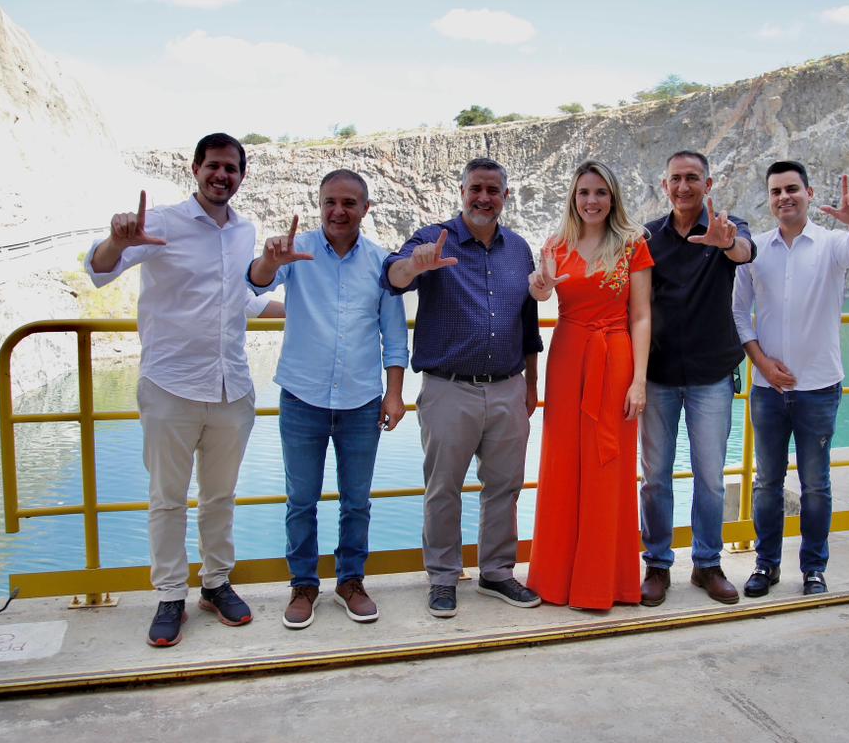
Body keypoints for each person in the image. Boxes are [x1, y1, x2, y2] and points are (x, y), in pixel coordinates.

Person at [85, 133, 257, 647]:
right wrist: (118, 238)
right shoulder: (160, 222)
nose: (221, 176)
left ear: (241, 176)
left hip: (232, 386)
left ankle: (216, 583)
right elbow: (98, 269)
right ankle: (168, 595)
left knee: (221, 496)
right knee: (167, 499)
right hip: (170, 384)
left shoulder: (245, 231)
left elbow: (240, 299)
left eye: (231, 168)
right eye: (213, 166)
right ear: (196, 169)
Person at [246, 169, 408, 629]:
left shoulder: (380, 262)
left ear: (365, 209)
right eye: (330, 202)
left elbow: (394, 339)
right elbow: (256, 284)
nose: (339, 211)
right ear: (320, 205)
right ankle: (303, 585)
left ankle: (351, 582)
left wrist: (394, 394)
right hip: (303, 397)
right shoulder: (295, 254)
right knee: (301, 499)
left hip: (361, 401)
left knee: (357, 501)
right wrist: (269, 260)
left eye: (349, 203)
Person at [382, 157, 544, 618]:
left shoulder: (519, 249)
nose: (484, 198)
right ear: (462, 191)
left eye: (493, 190)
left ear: (505, 197)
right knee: (443, 487)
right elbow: (392, 276)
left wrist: (532, 384)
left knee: (505, 486)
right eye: (476, 188)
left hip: (509, 386)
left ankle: (497, 572)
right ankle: (443, 576)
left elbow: (528, 321)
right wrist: (415, 266)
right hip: (449, 388)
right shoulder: (434, 239)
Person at [733, 162, 849, 596]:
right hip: (768, 390)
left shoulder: (832, 244)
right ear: (769, 199)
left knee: (816, 485)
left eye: (792, 189)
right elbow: (738, 313)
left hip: (819, 387)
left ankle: (814, 569)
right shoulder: (754, 250)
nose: (784, 197)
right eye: (776, 191)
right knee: (767, 483)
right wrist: (761, 362)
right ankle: (766, 565)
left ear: (809, 194)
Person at [526, 160, 653, 610]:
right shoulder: (556, 245)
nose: (592, 200)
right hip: (567, 358)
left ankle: (604, 583)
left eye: (600, 192)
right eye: (584, 192)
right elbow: (540, 292)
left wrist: (638, 380)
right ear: (573, 197)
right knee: (562, 464)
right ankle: (556, 580)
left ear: (612, 196)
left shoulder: (633, 245)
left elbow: (640, 316)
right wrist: (539, 286)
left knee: (607, 465)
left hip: (614, 356)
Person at [640, 151, 756, 607]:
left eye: (693, 179)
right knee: (654, 478)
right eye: (676, 179)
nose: (684, 187)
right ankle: (657, 565)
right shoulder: (648, 235)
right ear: (664, 186)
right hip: (658, 375)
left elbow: (744, 251)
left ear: (708, 185)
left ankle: (707, 564)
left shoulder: (729, 226)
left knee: (709, 477)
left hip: (711, 375)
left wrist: (725, 243)